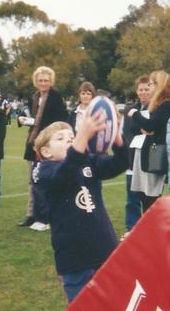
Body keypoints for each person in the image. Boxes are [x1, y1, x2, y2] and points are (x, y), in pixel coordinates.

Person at [32, 115, 128, 303]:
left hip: (105, 251)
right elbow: (66, 172)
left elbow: (122, 162)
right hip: (75, 261)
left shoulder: (88, 161)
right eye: (60, 138)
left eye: (71, 136)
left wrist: (115, 135)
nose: (69, 139)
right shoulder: (45, 171)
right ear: (46, 151)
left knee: (115, 304)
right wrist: (82, 138)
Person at [17, 66, 68, 230]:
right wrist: (22, 119)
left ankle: (49, 215)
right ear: (36, 82)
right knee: (33, 180)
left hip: (49, 145)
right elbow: (30, 119)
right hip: (33, 144)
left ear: (51, 81)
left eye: (46, 80)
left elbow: (62, 121)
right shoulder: (34, 97)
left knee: (49, 181)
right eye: (40, 80)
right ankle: (32, 214)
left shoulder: (56, 97)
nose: (43, 83)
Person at [127, 70, 170, 212]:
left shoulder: (166, 105)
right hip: (150, 152)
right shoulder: (159, 105)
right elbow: (144, 128)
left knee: (151, 196)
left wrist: (134, 113)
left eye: (152, 84)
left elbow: (150, 125)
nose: (149, 88)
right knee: (145, 195)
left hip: (156, 153)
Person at [121, 76, 150, 237]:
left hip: (149, 160)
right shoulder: (130, 110)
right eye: (141, 89)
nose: (144, 92)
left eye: (147, 89)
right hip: (132, 158)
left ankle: (147, 228)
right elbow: (127, 133)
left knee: (148, 197)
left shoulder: (156, 109)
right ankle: (131, 228)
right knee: (132, 198)